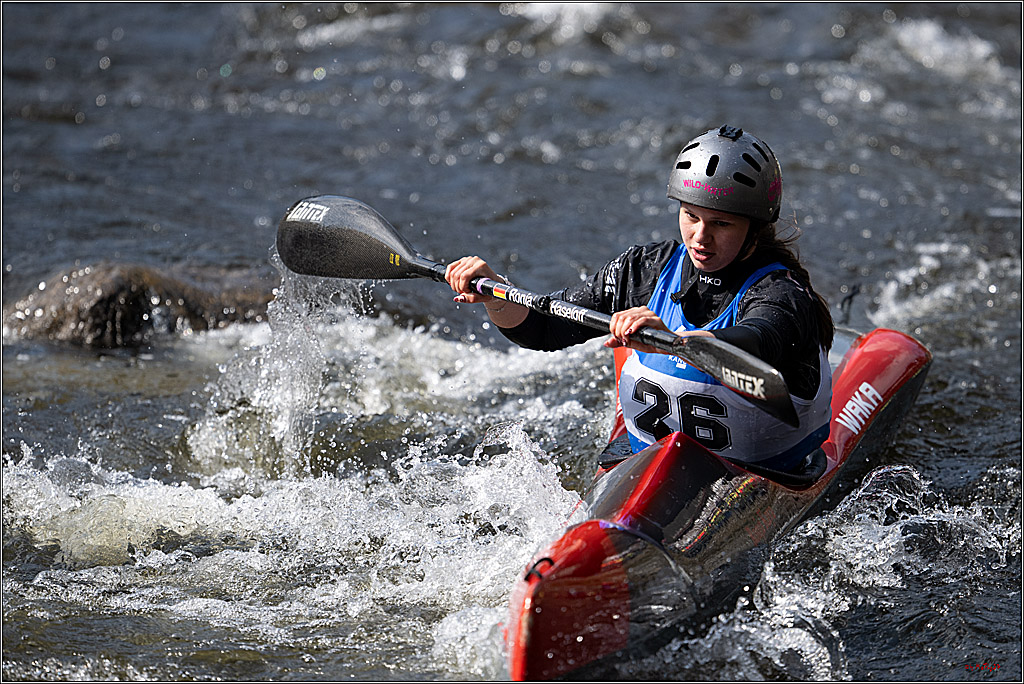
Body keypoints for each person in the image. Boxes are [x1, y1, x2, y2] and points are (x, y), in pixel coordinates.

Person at [445, 126, 834, 472]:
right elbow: (543, 329)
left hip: (761, 472)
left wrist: (675, 343)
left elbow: (756, 341)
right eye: (690, 216)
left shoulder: (783, 295)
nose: (700, 237)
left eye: (721, 224)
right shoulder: (644, 270)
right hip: (644, 466)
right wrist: (494, 293)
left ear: (755, 227)